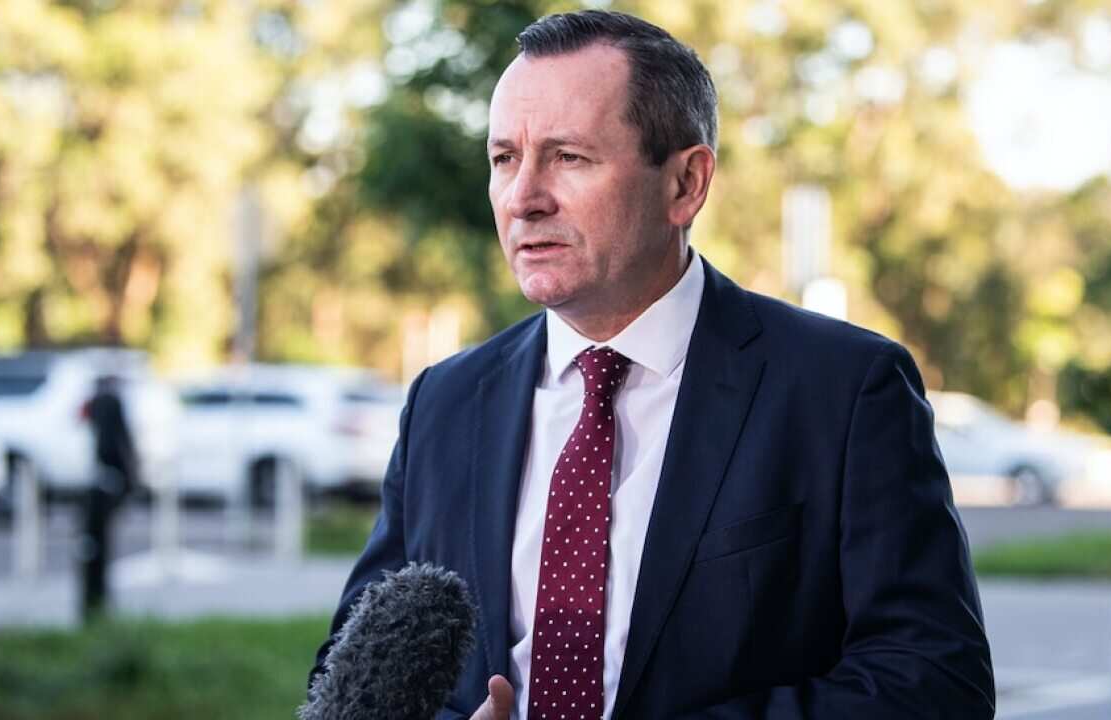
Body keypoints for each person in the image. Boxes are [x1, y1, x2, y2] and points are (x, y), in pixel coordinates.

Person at [310, 10, 993, 719]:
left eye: (569, 157)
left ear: (685, 184)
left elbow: (935, 682)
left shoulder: (843, 391)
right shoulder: (444, 404)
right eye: (505, 158)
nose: (523, 198)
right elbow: (350, 683)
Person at [80, 373, 138, 622]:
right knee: (93, 548)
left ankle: (95, 609)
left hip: (106, 482)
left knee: (94, 547)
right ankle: (94, 609)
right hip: (106, 483)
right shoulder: (108, 403)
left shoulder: (105, 403)